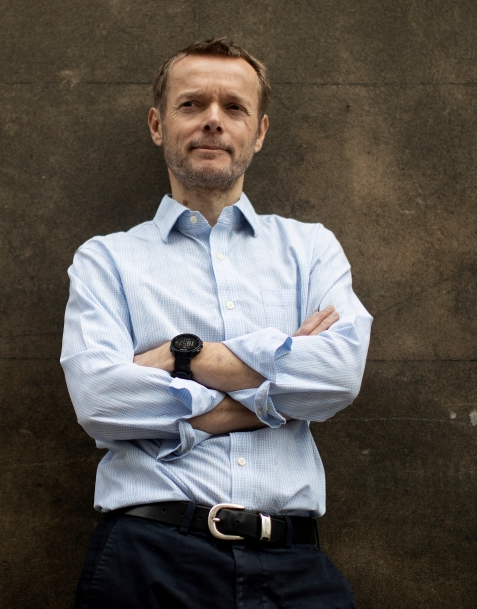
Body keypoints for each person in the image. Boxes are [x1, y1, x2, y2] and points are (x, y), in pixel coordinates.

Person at [61, 37, 372, 608]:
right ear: (158, 124)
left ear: (259, 131)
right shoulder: (105, 260)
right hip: (148, 561)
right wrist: (274, 386)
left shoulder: (311, 250)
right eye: (191, 105)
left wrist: (184, 355)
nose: (212, 121)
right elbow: (101, 399)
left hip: (294, 567)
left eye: (234, 107)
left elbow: (336, 376)